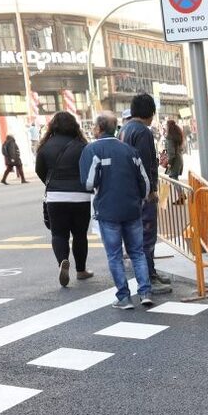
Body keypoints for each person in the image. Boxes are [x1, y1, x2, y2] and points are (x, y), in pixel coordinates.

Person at [80, 112, 156, 310]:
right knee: (137, 252)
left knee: (114, 255)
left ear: (98, 129)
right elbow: (145, 182)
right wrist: (140, 199)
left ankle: (124, 297)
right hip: (132, 208)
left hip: (108, 209)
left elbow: (88, 182)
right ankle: (145, 292)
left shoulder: (92, 150)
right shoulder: (129, 151)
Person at [35, 111, 94, 288]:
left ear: (53, 126)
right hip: (81, 196)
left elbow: (40, 170)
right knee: (79, 235)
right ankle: (81, 270)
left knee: (59, 234)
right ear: (74, 126)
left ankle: (62, 261)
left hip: (56, 196)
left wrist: (53, 183)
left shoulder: (45, 146)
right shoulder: (83, 145)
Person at [119, 93, 170, 292]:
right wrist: (150, 190)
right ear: (151, 112)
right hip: (142, 193)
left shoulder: (124, 129)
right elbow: (146, 165)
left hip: (128, 192)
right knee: (147, 236)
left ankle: (149, 274)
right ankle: (149, 276)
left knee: (136, 236)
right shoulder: (143, 132)